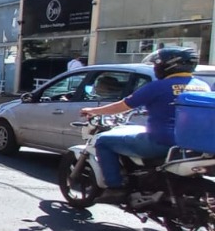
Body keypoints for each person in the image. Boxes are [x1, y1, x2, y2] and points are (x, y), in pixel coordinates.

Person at [80, 47, 210, 203]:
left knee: (103, 141)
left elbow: (124, 105)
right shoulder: (203, 86)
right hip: (191, 144)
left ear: (169, 65)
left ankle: (116, 187)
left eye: (158, 64)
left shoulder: (157, 86)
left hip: (160, 142)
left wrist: (94, 110)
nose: (156, 67)